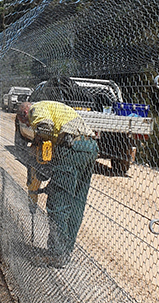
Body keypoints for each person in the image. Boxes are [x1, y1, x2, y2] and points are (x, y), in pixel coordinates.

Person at [26, 80, 98, 268]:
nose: (29, 124)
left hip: (71, 149)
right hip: (89, 147)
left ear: (25, 114)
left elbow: (45, 127)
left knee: (58, 204)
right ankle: (66, 251)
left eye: (26, 122)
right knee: (76, 203)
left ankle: (56, 254)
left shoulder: (36, 109)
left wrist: (38, 151)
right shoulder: (55, 107)